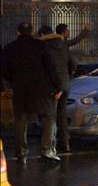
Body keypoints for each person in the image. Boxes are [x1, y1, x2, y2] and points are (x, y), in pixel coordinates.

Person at [2, 22, 64, 162]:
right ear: (32, 32)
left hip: (20, 89)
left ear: (18, 32)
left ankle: (21, 153)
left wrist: (13, 80)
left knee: (20, 120)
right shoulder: (41, 46)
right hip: (41, 89)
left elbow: (5, 70)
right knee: (48, 117)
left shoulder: (9, 48)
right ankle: (46, 149)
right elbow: (51, 68)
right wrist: (58, 87)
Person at [39, 25, 77, 153]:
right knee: (62, 113)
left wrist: (57, 87)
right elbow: (73, 64)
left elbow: (46, 68)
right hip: (65, 84)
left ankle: (51, 145)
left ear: (42, 35)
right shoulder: (63, 45)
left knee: (50, 115)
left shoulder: (43, 47)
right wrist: (67, 78)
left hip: (52, 86)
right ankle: (65, 143)